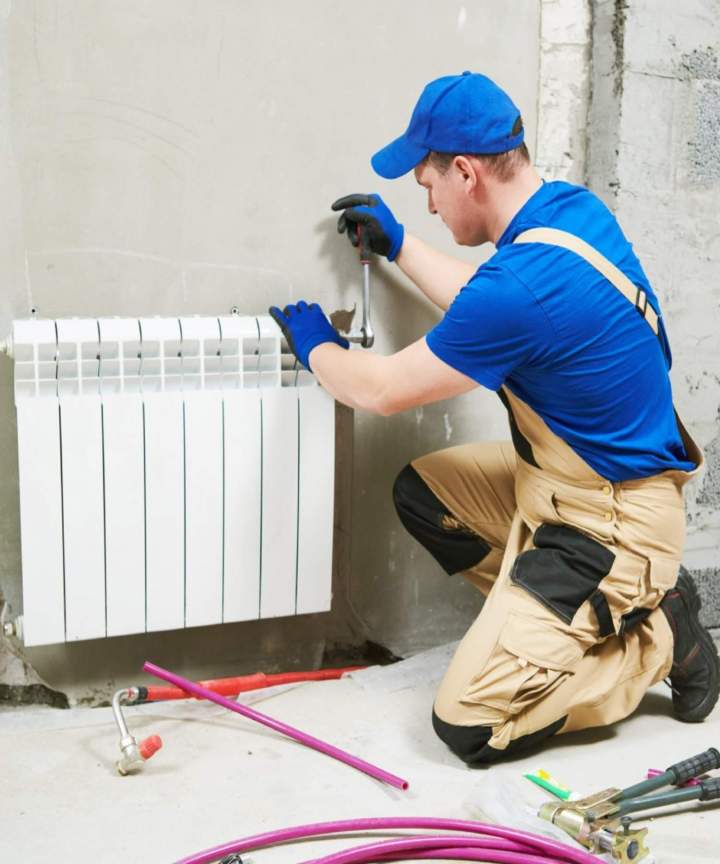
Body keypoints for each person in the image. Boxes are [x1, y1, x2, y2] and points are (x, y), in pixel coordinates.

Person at [269, 71, 719, 765]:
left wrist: (316, 348)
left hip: (611, 525)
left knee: (468, 725)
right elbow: (492, 309)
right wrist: (397, 247)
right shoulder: (569, 213)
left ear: (466, 172)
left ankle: (658, 636)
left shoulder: (522, 288)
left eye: (427, 187)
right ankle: (554, 619)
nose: (427, 204)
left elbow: (384, 389)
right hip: (566, 489)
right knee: (423, 493)